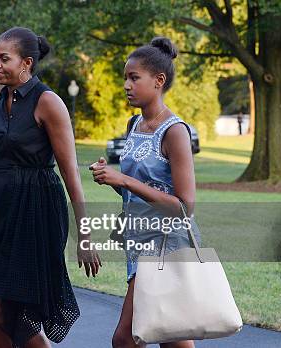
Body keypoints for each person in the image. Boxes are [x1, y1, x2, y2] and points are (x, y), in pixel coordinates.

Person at [0, 27, 101, 348]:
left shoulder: (48, 102)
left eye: (3, 58)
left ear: (26, 63)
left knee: (12, 309)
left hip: (35, 210)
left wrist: (85, 236)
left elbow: (71, 176)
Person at [90, 37, 199, 348]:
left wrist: (124, 181)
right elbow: (140, 193)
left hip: (165, 243)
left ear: (158, 81)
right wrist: (112, 180)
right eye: (125, 77)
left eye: (134, 77)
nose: (126, 85)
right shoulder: (133, 124)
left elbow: (184, 207)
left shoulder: (176, 132)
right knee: (167, 332)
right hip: (137, 239)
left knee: (126, 338)